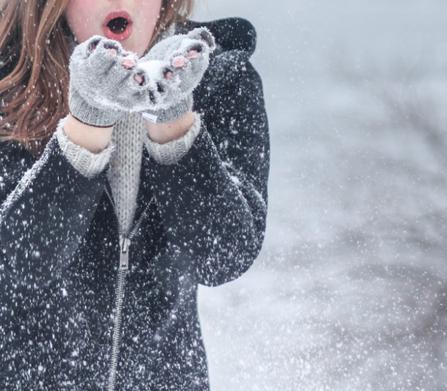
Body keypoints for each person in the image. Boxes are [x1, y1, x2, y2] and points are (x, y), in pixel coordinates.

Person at [0, 0, 270, 389]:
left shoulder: (222, 79)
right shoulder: (9, 82)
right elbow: (16, 265)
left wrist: (175, 121)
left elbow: (223, 256)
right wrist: (86, 125)